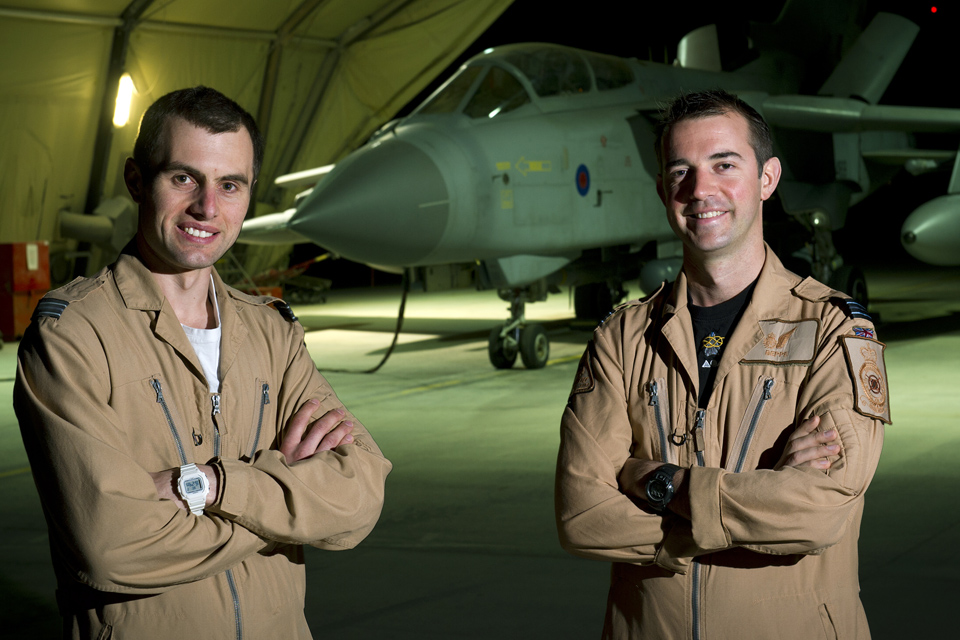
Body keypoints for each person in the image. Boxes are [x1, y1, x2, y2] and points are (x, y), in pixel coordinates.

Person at [14, 86, 392, 639]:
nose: (207, 208)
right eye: (183, 178)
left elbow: (359, 496)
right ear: (137, 180)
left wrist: (212, 488)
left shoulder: (272, 333)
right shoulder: (73, 337)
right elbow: (115, 547)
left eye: (230, 185)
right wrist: (285, 496)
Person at [555, 89, 889, 639]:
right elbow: (581, 517)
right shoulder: (622, 338)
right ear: (663, 190)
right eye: (680, 171)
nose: (700, 189)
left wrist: (654, 481)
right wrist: (749, 504)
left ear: (767, 179)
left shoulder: (833, 330)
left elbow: (816, 511)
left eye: (724, 165)